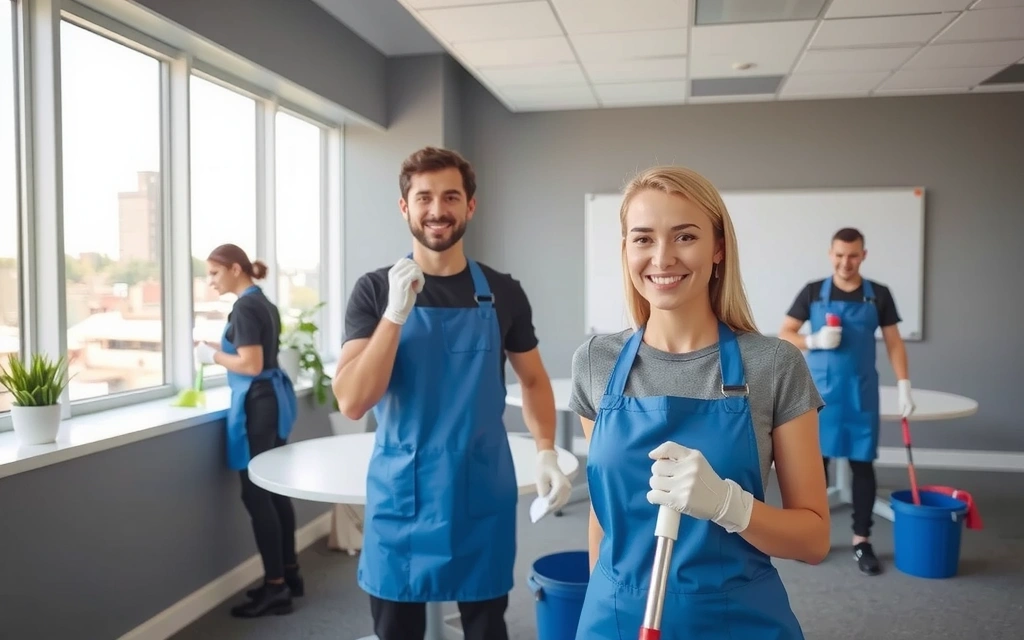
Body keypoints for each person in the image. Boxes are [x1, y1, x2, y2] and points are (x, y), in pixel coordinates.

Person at [570, 166, 830, 639]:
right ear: (626, 249)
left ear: (718, 249)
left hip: (734, 621)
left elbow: (814, 540)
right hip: (615, 618)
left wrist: (730, 506)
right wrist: (601, 601)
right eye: (643, 239)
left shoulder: (773, 365)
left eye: (684, 236)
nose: (662, 257)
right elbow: (602, 514)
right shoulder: (595, 362)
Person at [333, 146, 572, 640]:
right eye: (423, 197)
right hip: (403, 492)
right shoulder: (375, 291)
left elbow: (532, 380)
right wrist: (395, 315)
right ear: (405, 207)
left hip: (478, 490)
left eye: (450, 196)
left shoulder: (503, 292)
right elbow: (353, 400)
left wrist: (546, 450)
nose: (436, 210)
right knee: (396, 629)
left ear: (470, 206)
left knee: (486, 628)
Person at [779, 227, 916, 576]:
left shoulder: (878, 295)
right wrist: (814, 340)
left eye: (853, 256)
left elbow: (895, 342)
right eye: (839, 255)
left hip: (859, 394)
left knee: (862, 466)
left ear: (863, 255)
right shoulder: (813, 292)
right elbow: (785, 334)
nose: (846, 262)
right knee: (815, 470)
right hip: (818, 397)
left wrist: (904, 385)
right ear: (830, 254)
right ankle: (816, 537)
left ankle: (861, 540)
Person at [194, 243, 301, 618]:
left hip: (259, 404)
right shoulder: (264, 303)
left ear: (236, 269)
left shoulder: (244, 307)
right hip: (272, 401)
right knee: (275, 491)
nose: (210, 281)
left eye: (214, 273)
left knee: (257, 495)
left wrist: (212, 355)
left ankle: (276, 589)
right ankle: (290, 574)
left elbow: (251, 364)